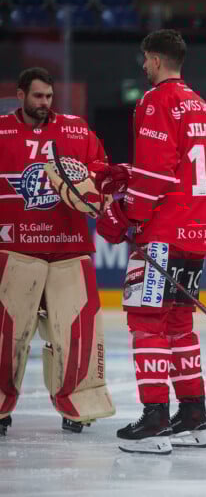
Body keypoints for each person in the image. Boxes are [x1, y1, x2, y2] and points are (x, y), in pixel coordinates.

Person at [95, 30, 206, 455]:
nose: (143, 67)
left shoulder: (156, 100)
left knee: (148, 323)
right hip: (196, 229)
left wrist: (125, 214)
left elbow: (157, 174)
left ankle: (155, 419)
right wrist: (132, 172)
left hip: (162, 233)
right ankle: (193, 413)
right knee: (179, 324)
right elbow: (177, 166)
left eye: (145, 60)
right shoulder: (198, 102)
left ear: (155, 59)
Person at [0, 67, 115, 436]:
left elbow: (101, 171)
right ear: (20, 95)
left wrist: (94, 184)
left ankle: (78, 406)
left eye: (49, 97)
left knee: (77, 333)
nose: (44, 104)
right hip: (15, 249)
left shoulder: (76, 129)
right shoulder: (1, 130)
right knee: (6, 336)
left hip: (69, 249)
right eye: (37, 97)